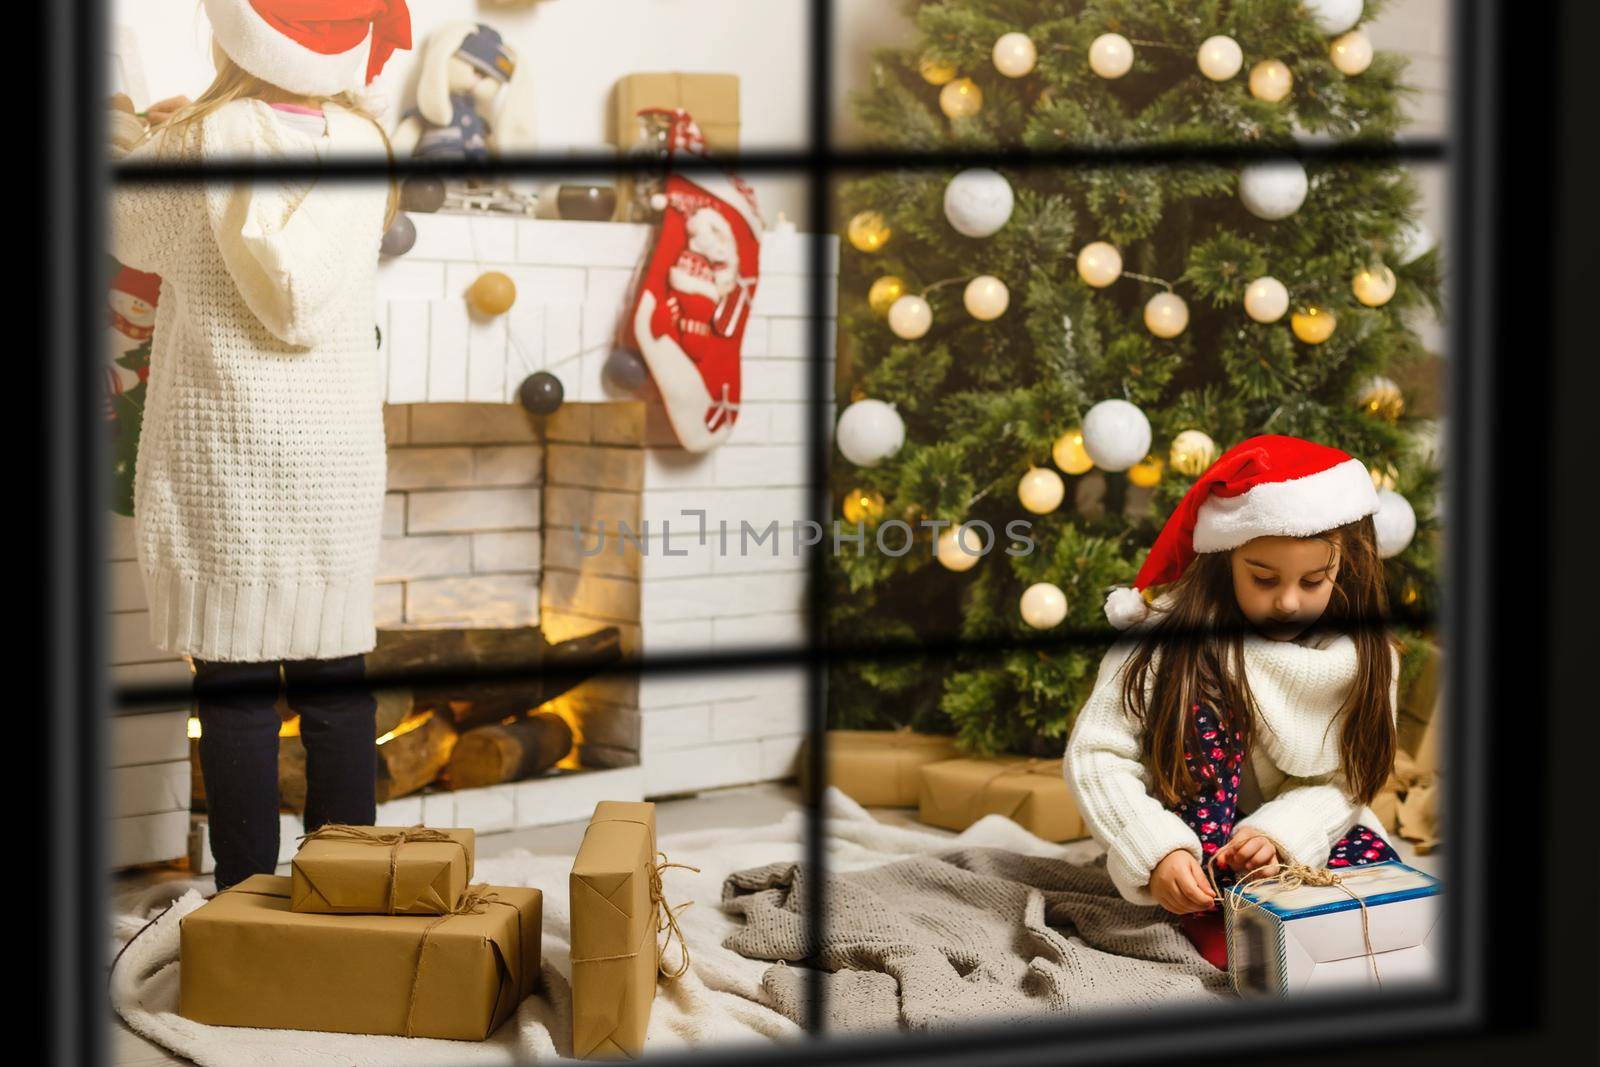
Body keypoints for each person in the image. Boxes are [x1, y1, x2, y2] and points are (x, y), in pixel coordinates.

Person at [108, 0, 412, 889]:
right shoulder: (367, 148)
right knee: (335, 683)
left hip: (226, 457)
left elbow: (124, 226)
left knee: (236, 689)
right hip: (332, 459)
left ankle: (245, 902)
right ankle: (345, 892)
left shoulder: (200, 141)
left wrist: (131, 127)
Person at [1065, 434, 1401, 969]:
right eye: (1263, 578)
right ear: (1227, 560)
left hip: (1301, 839)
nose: (1289, 603)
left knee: (1377, 915)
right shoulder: (1162, 640)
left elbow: (1347, 781)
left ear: (1345, 566)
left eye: (1315, 580)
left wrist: (1280, 837)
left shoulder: (1365, 656)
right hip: (1194, 840)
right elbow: (1096, 755)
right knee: (1197, 684)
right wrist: (1155, 849)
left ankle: (1285, 907)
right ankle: (1209, 905)